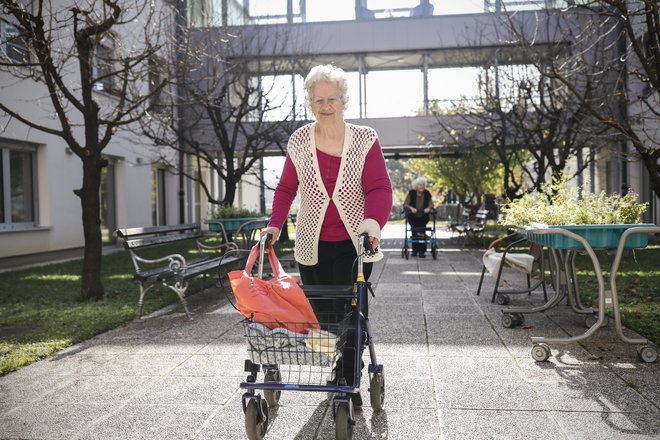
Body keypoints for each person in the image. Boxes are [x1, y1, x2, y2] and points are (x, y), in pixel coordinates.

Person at [261, 64, 393, 409]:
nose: (325, 105)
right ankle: (344, 366)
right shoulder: (300, 140)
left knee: (353, 311)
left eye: (331, 98)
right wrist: (275, 224)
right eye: (318, 99)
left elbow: (379, 187)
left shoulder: (365, 139)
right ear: (310, 102)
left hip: (356, 245)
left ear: (343, 100)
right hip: (311, 243)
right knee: (325, 317)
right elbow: (287, 187)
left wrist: (373, 222)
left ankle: (346, 377)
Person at [403, 176, 433, 257]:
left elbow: (431, 204)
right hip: (413, 216)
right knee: (415, 232)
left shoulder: (427, 193)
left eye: (423, 184)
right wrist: (411, 208)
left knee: (422, 232)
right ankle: (415, 251)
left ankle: (422, 251)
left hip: (423, 216)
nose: (422, 186)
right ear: (416, 186)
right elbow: (405, 204)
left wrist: (428, 208)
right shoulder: (411, 193)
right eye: (420, 185)